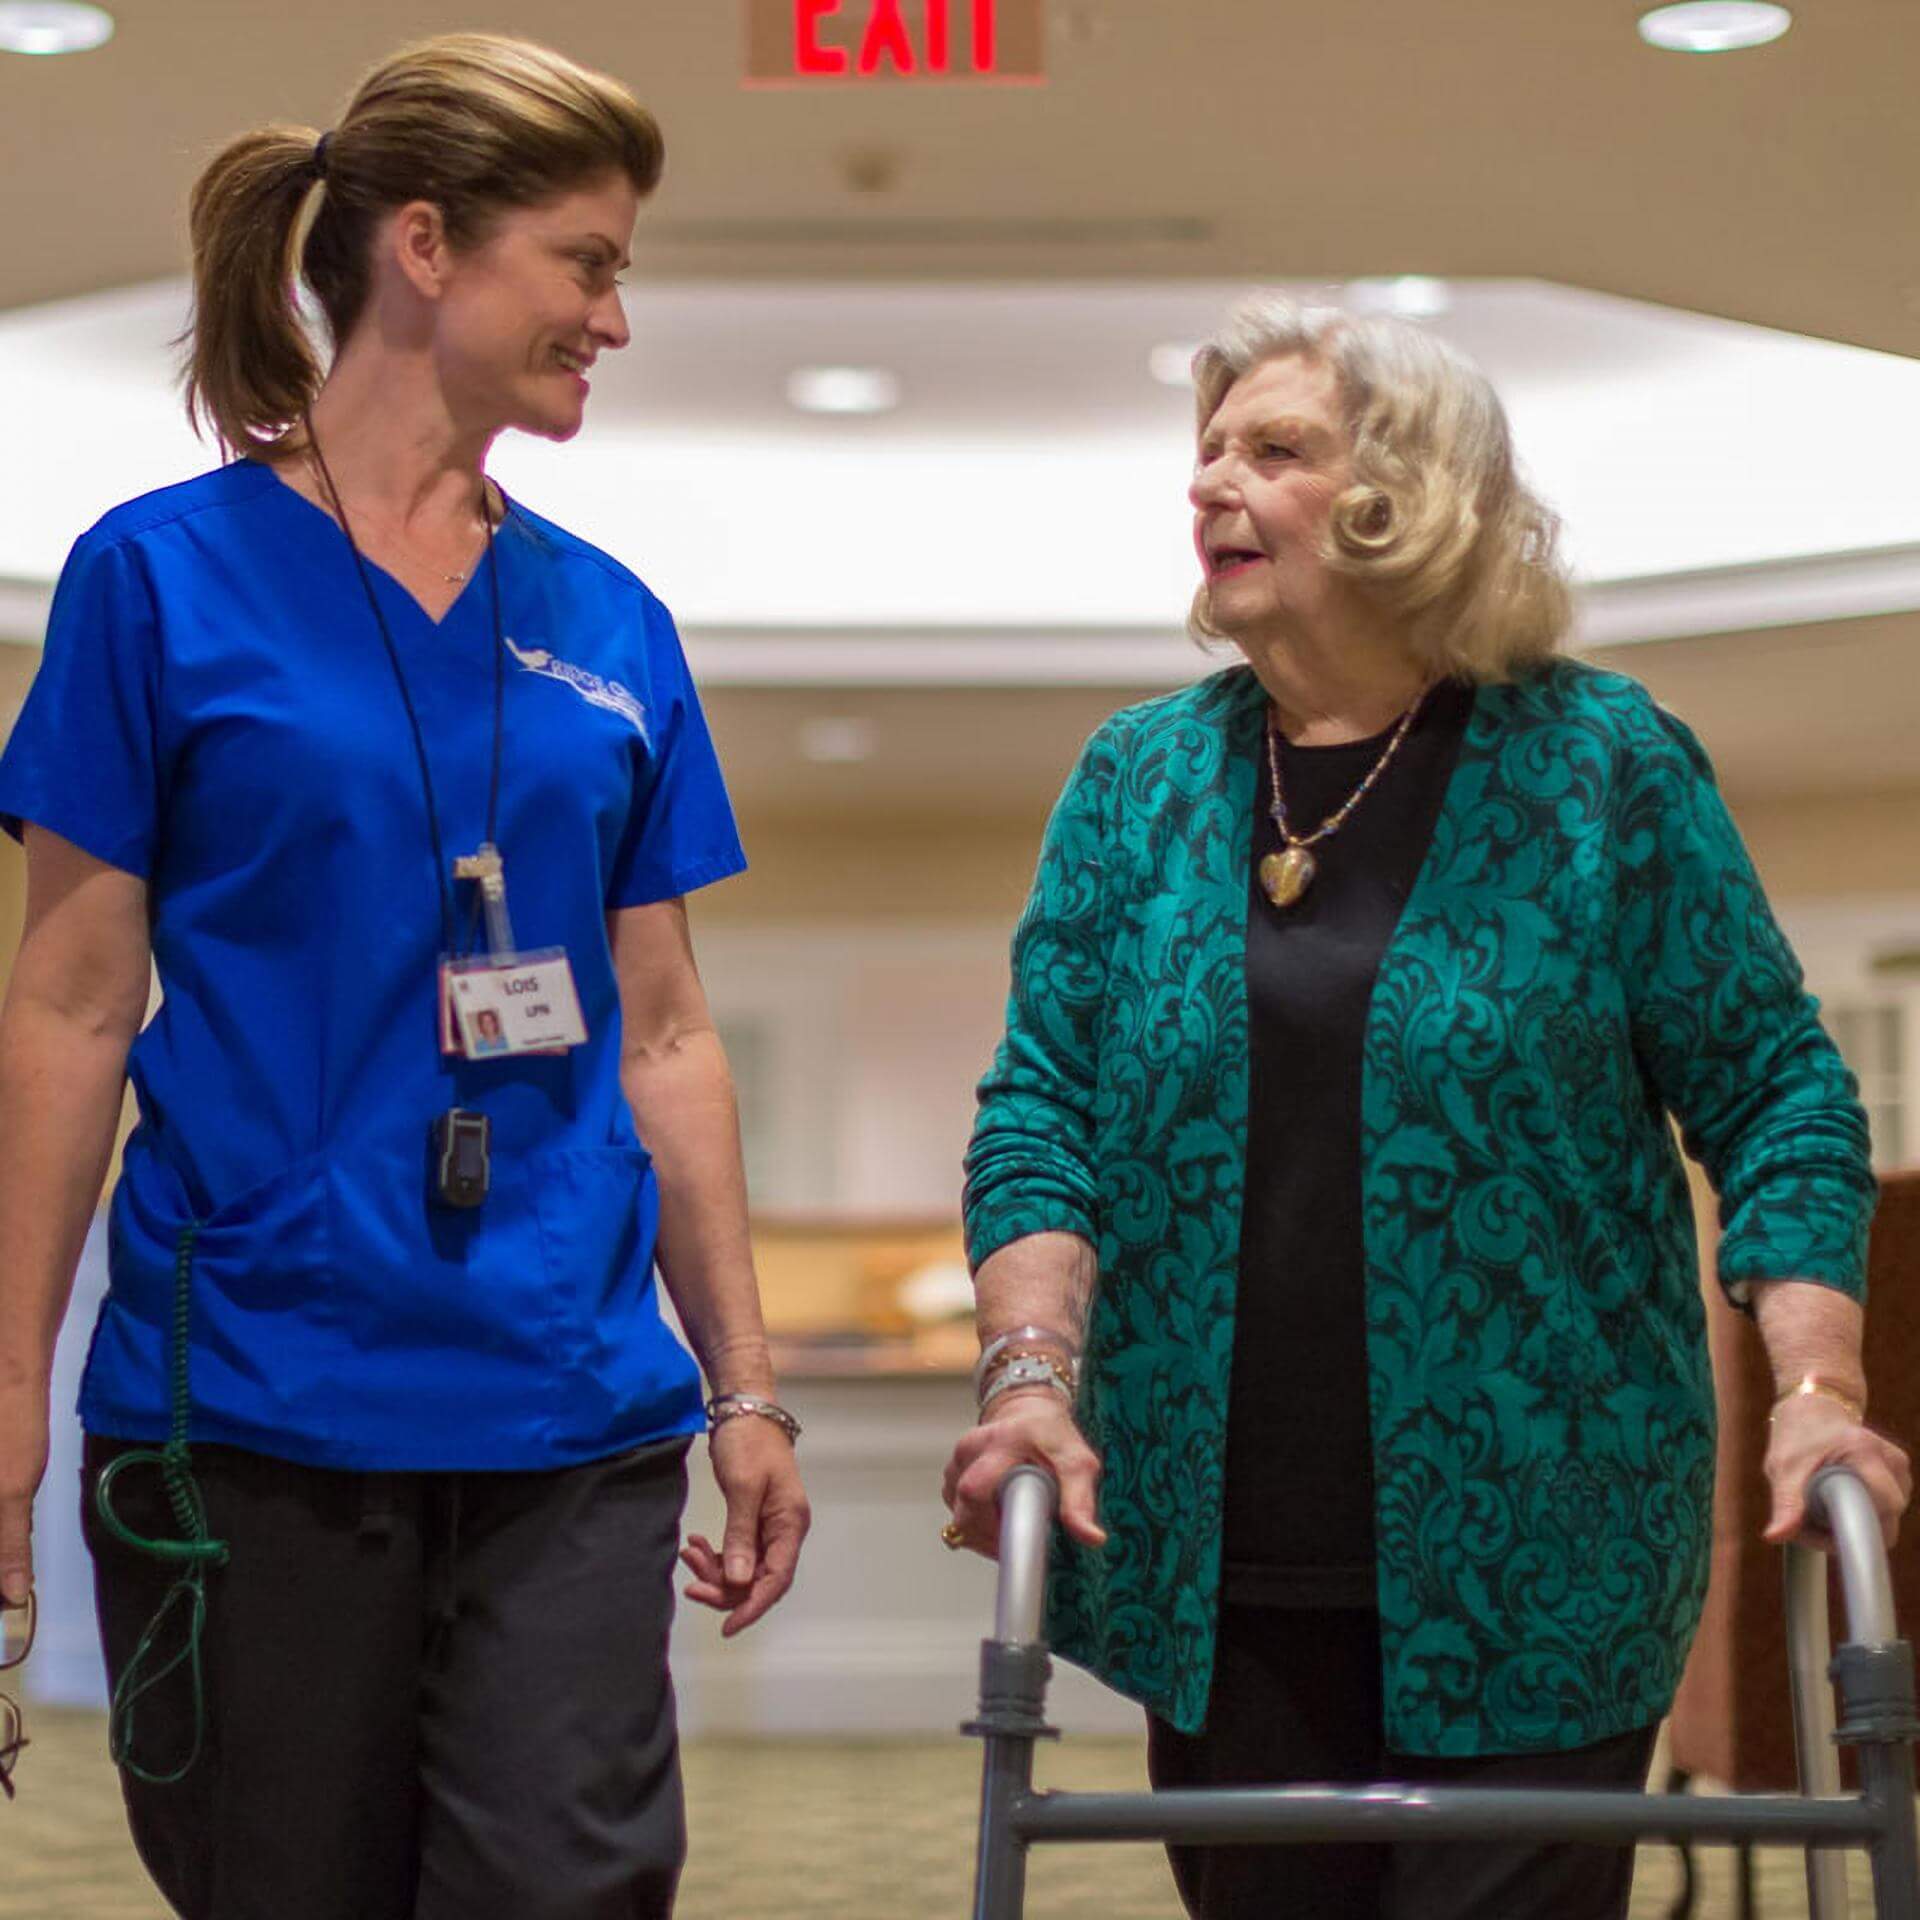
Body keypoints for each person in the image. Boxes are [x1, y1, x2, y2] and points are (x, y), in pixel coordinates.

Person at [941, 293, 1910, 1920]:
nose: (1209, 483)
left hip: (1548, 1543)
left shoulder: (1598, 764)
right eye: (1206, 450)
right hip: (1217, 1567)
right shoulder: (1138, 780)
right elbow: (1042, 1109)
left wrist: (1817, 1382)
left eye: (1274, 449)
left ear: (1410, 497)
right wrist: (1029, 1372)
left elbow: (1777, 1096)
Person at [0, 34, 808, 1919]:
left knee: (571, 1889)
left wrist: (744, 1388)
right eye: (587, 261)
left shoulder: (611, 622)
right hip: (253, 1398)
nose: (616, 313)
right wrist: (12, 1383)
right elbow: (70, 1004)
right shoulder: (159, 582)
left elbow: (667, 1030)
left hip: (570, 1398)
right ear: (426, 247)